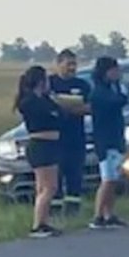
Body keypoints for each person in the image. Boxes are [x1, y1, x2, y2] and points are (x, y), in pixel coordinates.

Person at [15, 65, 63, 239]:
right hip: (40, 145)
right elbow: (52, 113)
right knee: (49, 187)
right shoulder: (30, 102)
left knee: (43, 187)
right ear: (41, 81)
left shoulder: (45, 99)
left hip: (50, 145)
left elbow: (59, 112)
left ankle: (43, 221)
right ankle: (38, 225)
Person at [87, 56, 129, 229]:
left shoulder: (110, 89)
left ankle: (109, 214)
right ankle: (98, 215)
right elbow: (119, 101)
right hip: (105, 141)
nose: (117, 73)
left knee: (114, 178)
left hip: (116, 138)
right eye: (114, 70)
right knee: (107, 178)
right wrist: (120, 89)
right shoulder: (99, 93)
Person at [48, 50, 91, 214]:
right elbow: (46, 107)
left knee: (75, 175)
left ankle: (73, 210)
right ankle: (54, 210)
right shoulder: (50, 83)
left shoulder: (83, 85)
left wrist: (63, 107)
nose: (72, 68)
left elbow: (89, 108)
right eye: (68, 64)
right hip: (55, 138)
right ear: (58, 64)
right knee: (55, 176)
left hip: (76, 138)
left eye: (74, 64)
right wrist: (70, 107)